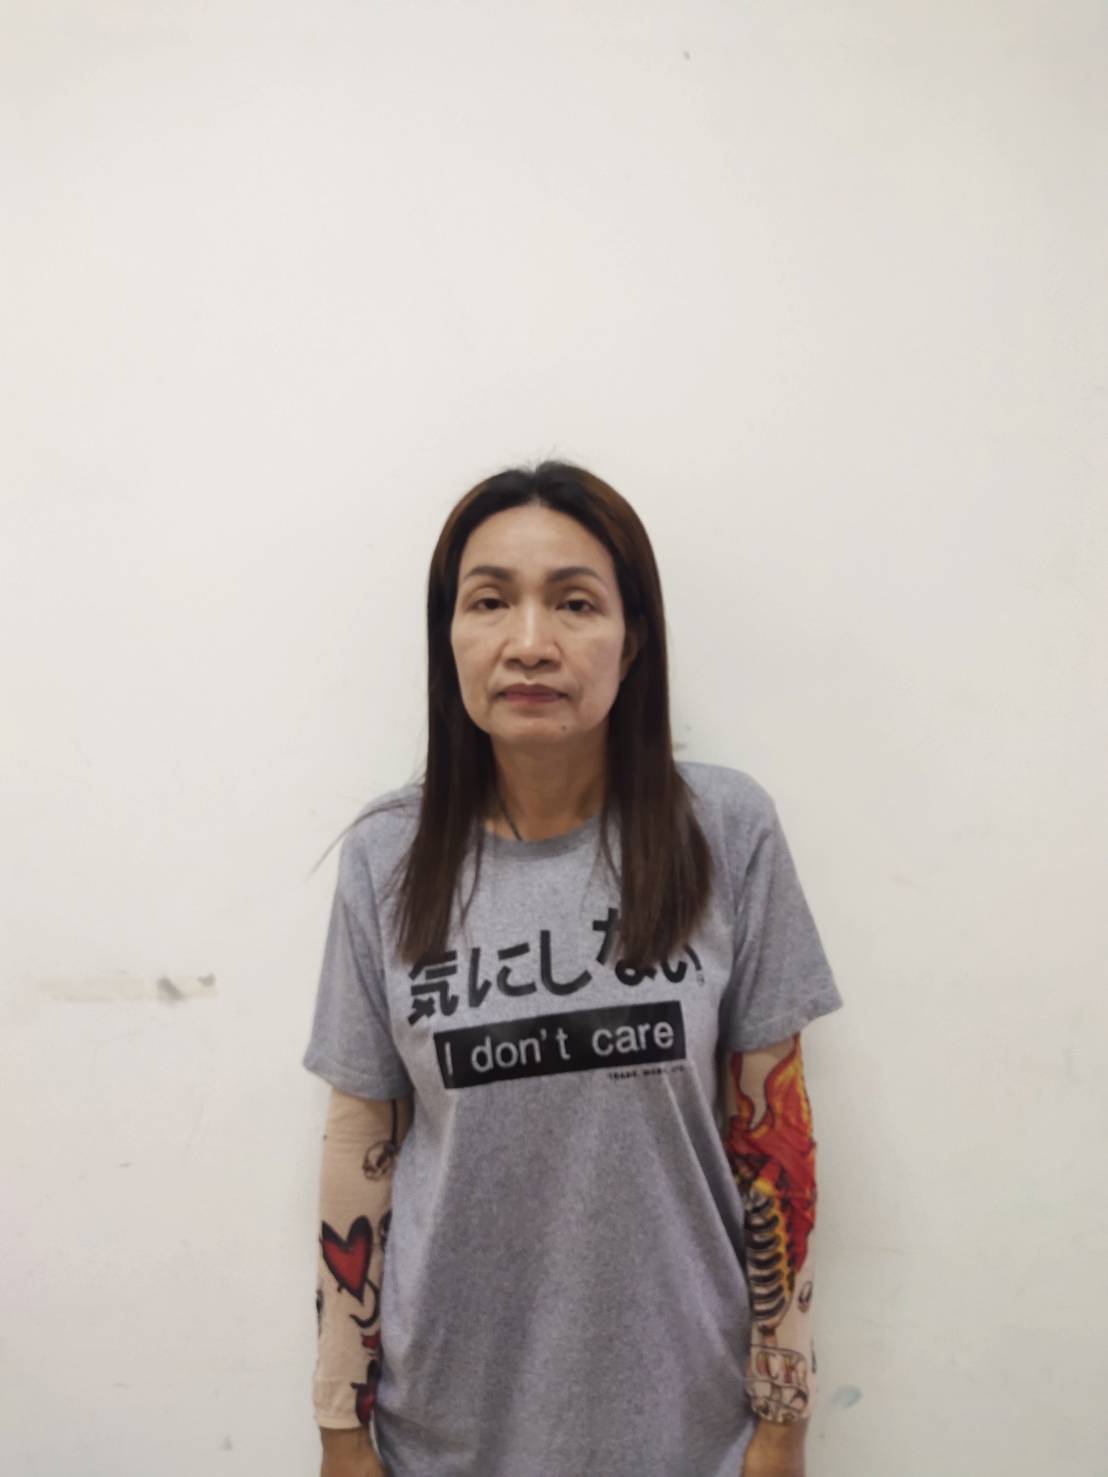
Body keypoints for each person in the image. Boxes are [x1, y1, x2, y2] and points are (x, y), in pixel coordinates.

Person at [302, 460, 844, 1477]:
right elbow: (358, 1141)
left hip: (688, 1427)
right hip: (444, 1427)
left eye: (575, 602)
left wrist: (784, 1416)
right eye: (489, 601)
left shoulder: (725, 831)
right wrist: (341, 1422)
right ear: (449, 637)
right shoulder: (387, 857)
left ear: (631, 639)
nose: (530, 642)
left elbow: (774, 1142)